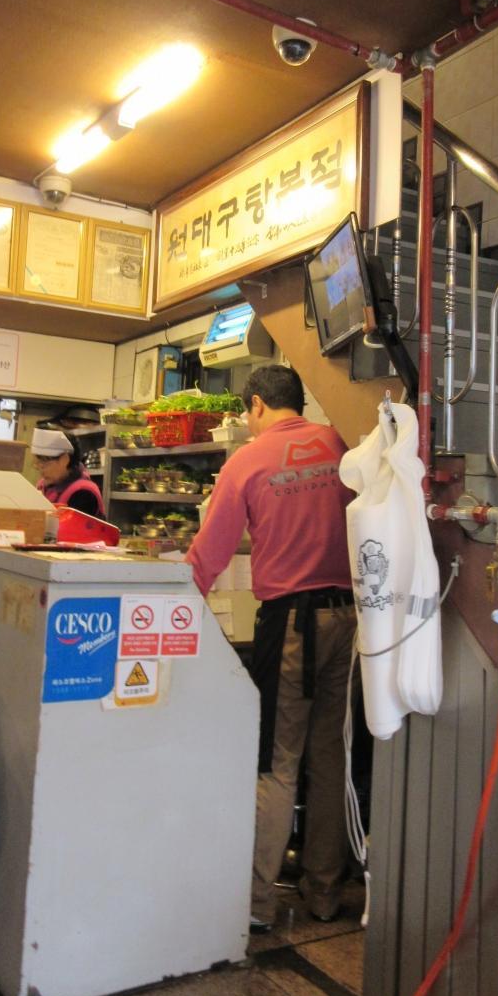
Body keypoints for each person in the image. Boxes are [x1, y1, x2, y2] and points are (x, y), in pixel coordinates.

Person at [185, 365, 356, 932]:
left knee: (278, 762)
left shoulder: (248, 461)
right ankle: (324, 893)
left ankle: (256, 903)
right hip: (352, 620)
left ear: (256, 404)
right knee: (330, 756)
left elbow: (209, 555)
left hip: (291, 626)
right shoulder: (341, 444)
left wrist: (175, 610)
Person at [31, 427, 105, 518]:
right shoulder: (43, 485)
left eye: (44, 464)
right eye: (37, 464)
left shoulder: (83, 493)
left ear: (64, 459)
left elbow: (73, 526)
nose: (41, 471)